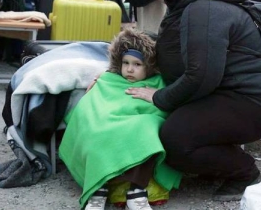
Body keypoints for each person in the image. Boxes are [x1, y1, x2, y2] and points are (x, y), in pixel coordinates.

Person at [125, 0, 261, 201]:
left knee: (174, 139)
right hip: (228, 95)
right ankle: (216, 159)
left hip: (252, 104)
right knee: (180, 126)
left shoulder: (205, 10)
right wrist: (116, 65)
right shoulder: (193, 2)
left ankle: (244, 172)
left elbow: (201, 77)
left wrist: (158, 96)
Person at [59, 29, 182, 210]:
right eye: (125, 63)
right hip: (106, 122)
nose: (130, 69)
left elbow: (163, 110)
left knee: (147, 131)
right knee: (94, 131)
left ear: (149, 65)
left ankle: (136, 191)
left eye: (137, 64)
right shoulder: (108, 79)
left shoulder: (158, 82)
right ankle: (97, 190)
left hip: (139, 123)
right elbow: (89, 108)